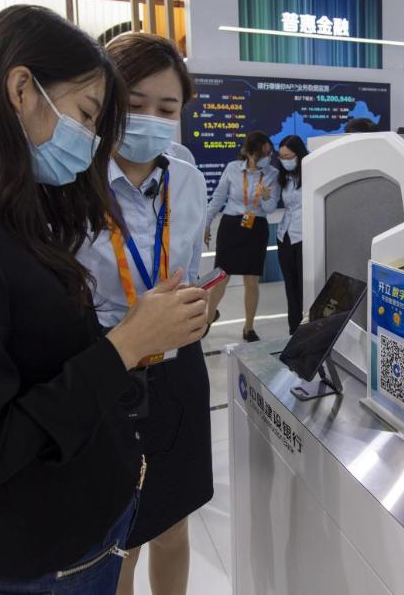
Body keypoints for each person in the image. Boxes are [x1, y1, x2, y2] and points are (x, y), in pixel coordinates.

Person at [0, 5, 208, 594]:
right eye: (87, 115)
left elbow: (35, 360)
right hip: (38, 555)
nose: (89, 141)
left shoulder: (3, 207)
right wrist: (124, 345)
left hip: (74, 524)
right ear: (22, 89)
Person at [77, 32, 211, 595]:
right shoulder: (73, 183)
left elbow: (189, 268)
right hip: (108, 367)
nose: (150, 119)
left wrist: (201, 306)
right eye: (134, 104)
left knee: (174, 523)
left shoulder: (187, 179)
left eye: (167, 108)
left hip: (178, 368)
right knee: (119, 539)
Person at [204, 131, 279, 342]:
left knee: (252, 279)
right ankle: (208, 319)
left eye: (269, 153)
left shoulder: (272, 173)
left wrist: (266, 197)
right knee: (222, 275)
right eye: (262, 154)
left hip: (256, 227)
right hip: (231, 226)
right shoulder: (232, 168)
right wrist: (206, 223)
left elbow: (270, 208)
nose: (266, 158)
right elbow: (218, 198)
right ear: (249, 153)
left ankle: (249, 327)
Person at [276, 135, 306, 335]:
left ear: (299, 154)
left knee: (305, 285)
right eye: (281, 157)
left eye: (288, 157)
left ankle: (307, 328)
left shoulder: (312, 173)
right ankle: (294, 329)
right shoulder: (283, 177)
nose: (285, 161)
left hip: (305, 235)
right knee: (290, 285)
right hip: (284, 235)